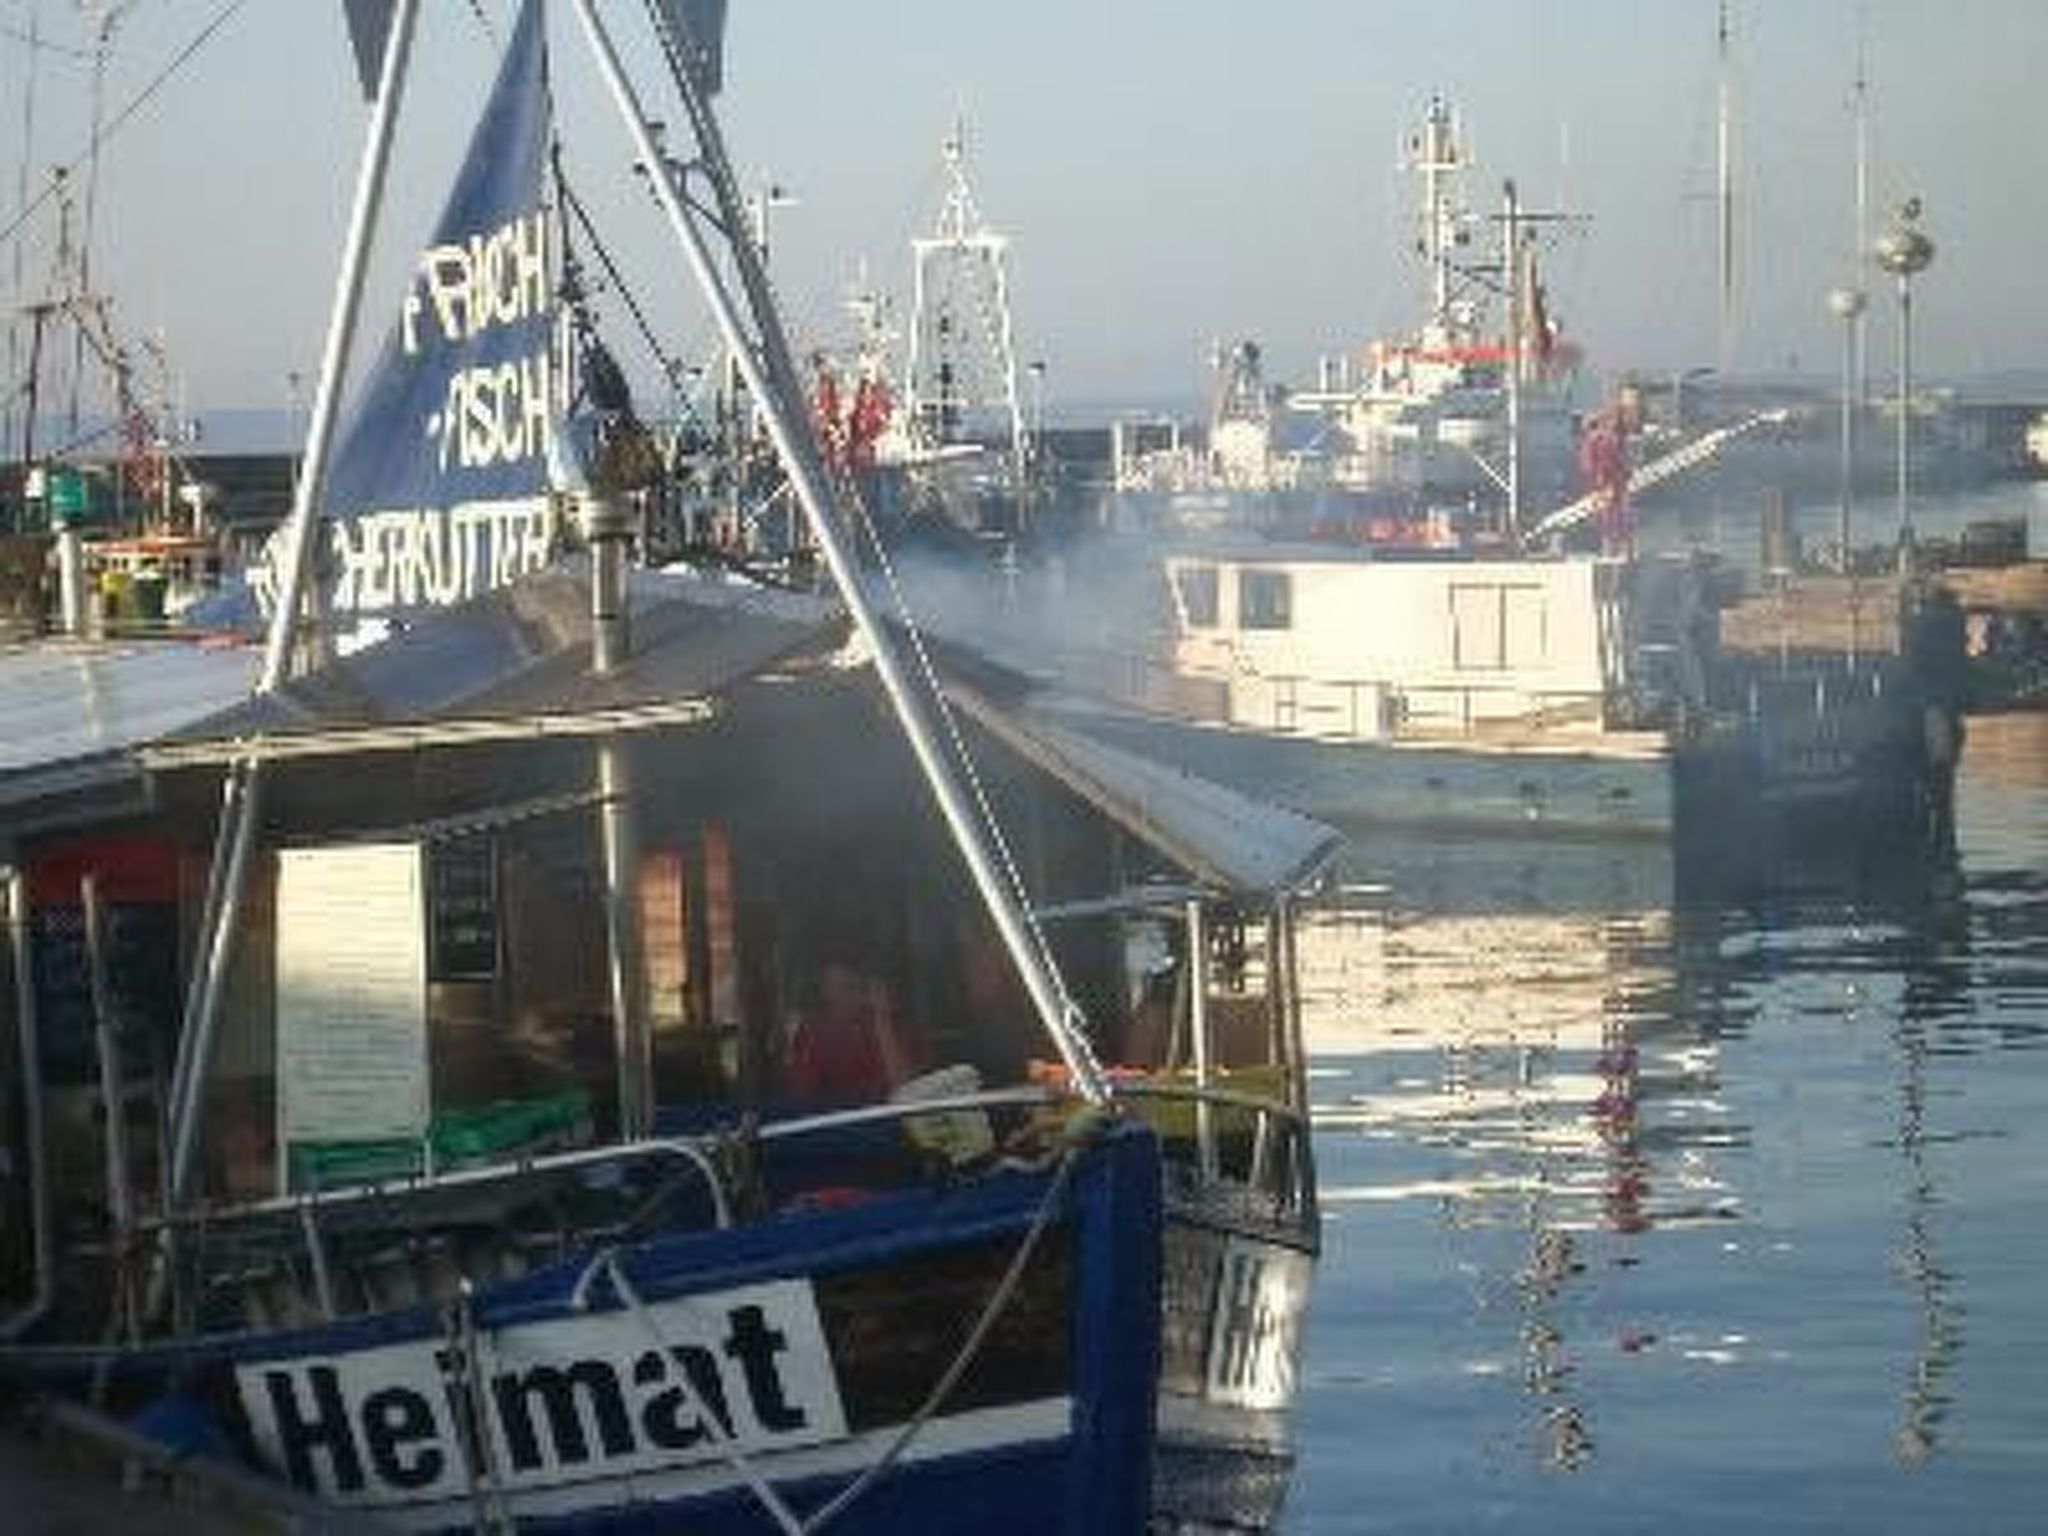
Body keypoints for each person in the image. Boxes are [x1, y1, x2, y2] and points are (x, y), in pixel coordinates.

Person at [784, 961, 911, 1105]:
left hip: (885, 1115)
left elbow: (905, 1088)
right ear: (824, 991)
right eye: (842, 986)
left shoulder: (885, 1027)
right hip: (835, 1121)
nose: (850, 993)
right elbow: (801, 1096)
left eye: (855, 986)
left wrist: (882, 1019)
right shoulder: (811, 1033)